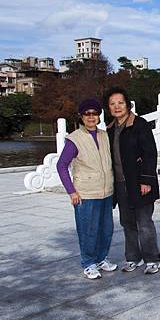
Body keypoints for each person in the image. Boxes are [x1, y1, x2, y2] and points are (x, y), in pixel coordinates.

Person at [103, 87, 160, 274]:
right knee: (127, 223)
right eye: (112, 104)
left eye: (120, 102)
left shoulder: (140, 124)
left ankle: (152, 259)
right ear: (108, 108)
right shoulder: (110, 129)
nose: (117, 107)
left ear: (128, 104)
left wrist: (146, 181)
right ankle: (132, 258)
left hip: (139, 183)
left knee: (144, 222)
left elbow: (150, 154)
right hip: (120, 184)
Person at [56, 98, 117, 280]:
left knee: (106, 229)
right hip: (86, 193)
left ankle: (100, 259)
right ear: (81, 117)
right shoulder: (74, 139)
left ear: (99, 115)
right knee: (88, 230)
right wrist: (71, 191)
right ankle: (88, 263)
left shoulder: (104, 135)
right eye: (87, 114)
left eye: (95, 113)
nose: (91, 117)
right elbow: (61, 165)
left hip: (106, 191)